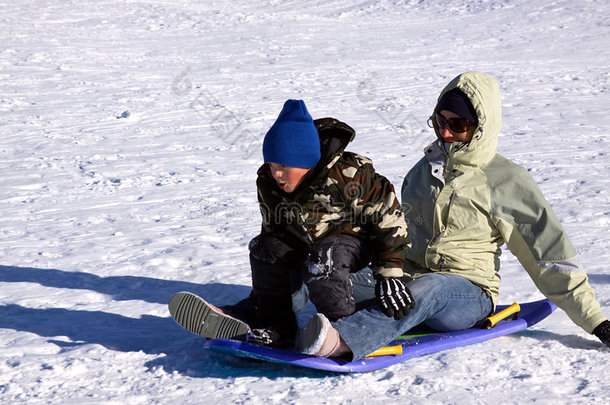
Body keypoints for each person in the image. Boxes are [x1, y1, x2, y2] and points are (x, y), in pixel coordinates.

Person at [295, 71, 610, 359]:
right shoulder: (421, 173)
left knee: (426, 289)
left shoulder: (507, 180)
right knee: (325, 272)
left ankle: (342, 342)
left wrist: (597, 322)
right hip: (409, 276)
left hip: (466, 294)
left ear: (480, 129)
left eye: (458, 125)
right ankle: (271, 323)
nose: (445, 133)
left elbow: (548, 256)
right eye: (439, 121)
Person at [169, 99, 412, 347]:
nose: (276, 173)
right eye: (272, 165)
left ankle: (343, 334)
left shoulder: (349, 174)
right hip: (304, 245)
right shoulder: (269, 183)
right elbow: (273, 229)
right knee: (266, 247)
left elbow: (388, 219)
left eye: (284, 166)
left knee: (324, 258)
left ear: (305, 161)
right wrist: (268, 288)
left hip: (353, 245)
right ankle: (277, 327)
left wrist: (389, 273)